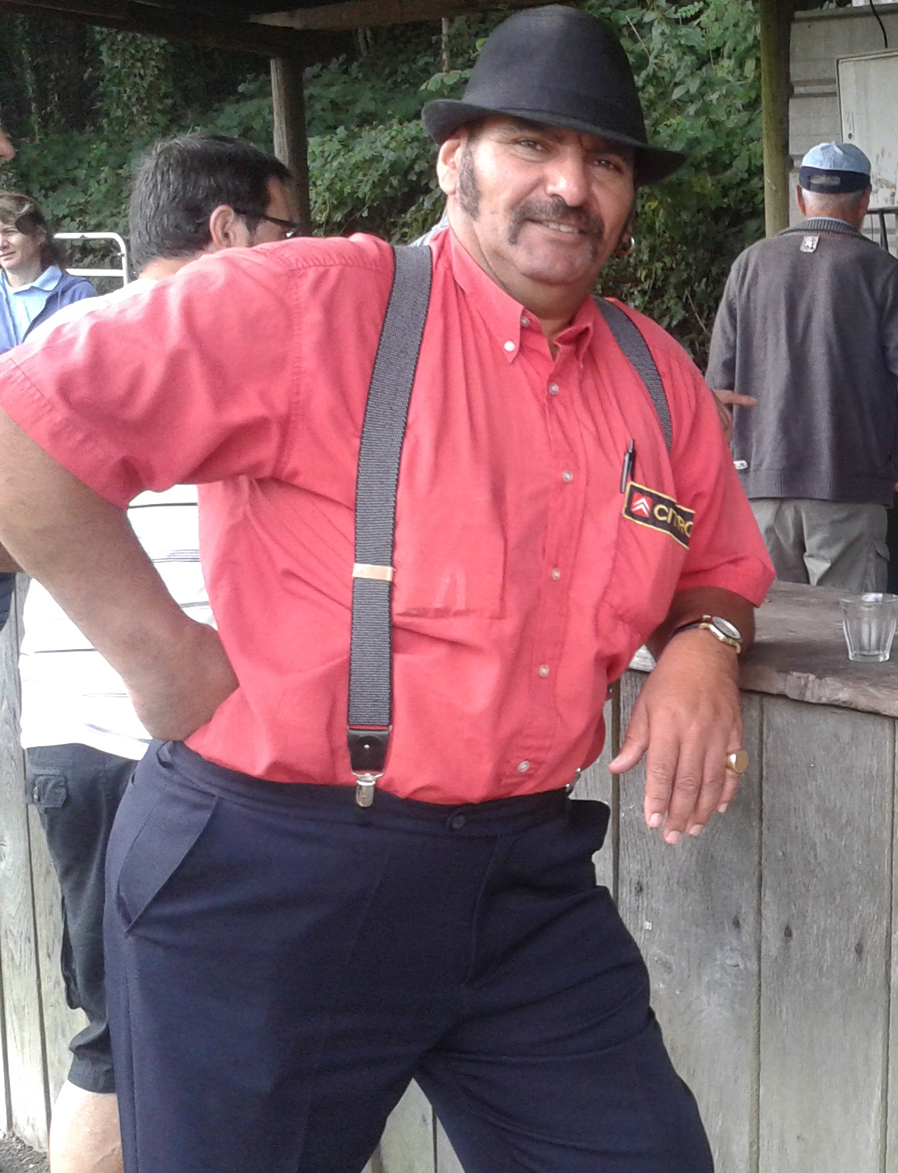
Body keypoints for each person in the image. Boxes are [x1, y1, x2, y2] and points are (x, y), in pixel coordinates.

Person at [0, 7, 773, 1173]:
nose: (571, 186)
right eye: (532, 145)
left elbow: (716, 565)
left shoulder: (657, 377)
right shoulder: (312, 300)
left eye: (606, 162)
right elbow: (22, 434)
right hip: (275, 873)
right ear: (455, 161)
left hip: (522, 876)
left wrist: (707, 644)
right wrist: (165, 665)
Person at [2, 133, 294, 1173]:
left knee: (121, 1036)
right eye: (286, 230)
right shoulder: (238, 354)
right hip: (194, 742)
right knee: (223, 1028)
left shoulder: (62, 348)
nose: (299, 255)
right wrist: (167, 658)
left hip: (75, 744)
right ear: (226, 229)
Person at [706, 140, 898, 592]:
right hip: (847, 489)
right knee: (848, 627)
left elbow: (717, 384)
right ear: (864, 201)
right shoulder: (880, 270)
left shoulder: (750, 265)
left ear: (800, 199)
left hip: (759, 489)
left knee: (777, 625)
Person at [0, 192, 95, 352]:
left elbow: (88, 358)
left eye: (9, 232)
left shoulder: (76, 294)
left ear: (39, 236)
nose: (1, 244)